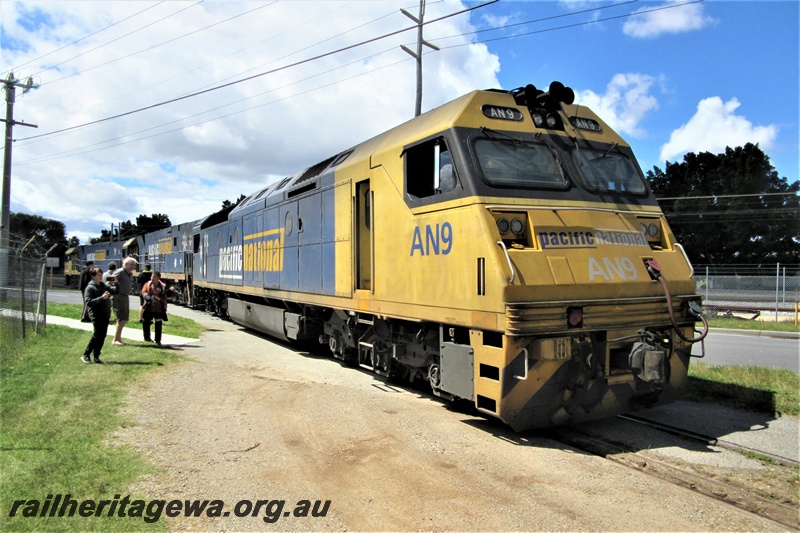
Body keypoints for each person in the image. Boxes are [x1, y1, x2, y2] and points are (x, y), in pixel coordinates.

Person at [82, 267, 118, 364]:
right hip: (96, 315)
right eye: (98, 275)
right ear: (93, 276)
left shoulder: (102, 285)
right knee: (97, 335)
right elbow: (89, 302)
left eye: (101, 275)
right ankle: (86, 354)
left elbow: (115, 291)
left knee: (102, 336)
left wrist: (116, 282)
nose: (101, 277)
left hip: (105, 314)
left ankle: (96, 356)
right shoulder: (90, 288)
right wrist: (102, 298)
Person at [111, 256, 138, 346]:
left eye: (134, 265)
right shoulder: (120, 272)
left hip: (125, 296)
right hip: (119, 296)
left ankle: (118, 338)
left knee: (124, 318)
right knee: (121, 317)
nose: (133, 267)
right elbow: (109, 281)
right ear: (125, 264)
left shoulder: (129, 274)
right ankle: (115, 339)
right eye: (131, 265)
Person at [141, 271, 168, 346]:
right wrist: (146, 296)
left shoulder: (162, 286)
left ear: (158, 278)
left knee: (158, 324)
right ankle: (147, 338)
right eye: (151, 276)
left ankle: (158, 340)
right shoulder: (147, 285)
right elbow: (143, 292)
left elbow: (166, 295)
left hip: (158, 308)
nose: (152, 278)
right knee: (146, 323)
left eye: (154, 277)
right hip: (149, 307)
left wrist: (170, 291)